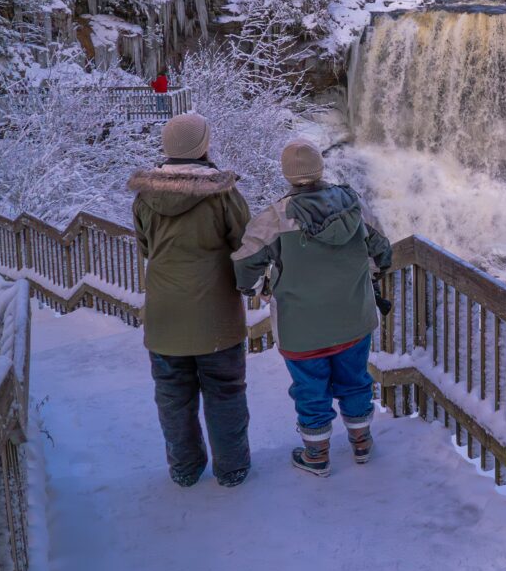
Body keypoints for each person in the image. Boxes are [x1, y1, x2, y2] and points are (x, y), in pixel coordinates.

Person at [233, 140, 392, 478]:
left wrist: (258, 287)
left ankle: (317, 454)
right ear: (320, 168)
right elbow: (382, 248)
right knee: (355, 380)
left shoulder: (274, 218)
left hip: (302, 328)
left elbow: (245, 264)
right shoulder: (352, 205)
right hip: (353, 318)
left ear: (287, 174)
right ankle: (362, 444)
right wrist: (373, 272)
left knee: (310, 389)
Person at [127, 112, 253, 488]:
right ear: (202, 146)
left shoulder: (145, 197)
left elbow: (146, 246)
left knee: (172, 398)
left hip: (164, 316)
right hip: (215, 315)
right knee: (225, 392)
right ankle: (231, 468)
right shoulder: (222, 193)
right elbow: (245, 244)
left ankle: (184, 468)